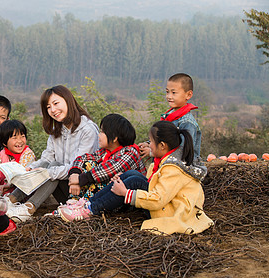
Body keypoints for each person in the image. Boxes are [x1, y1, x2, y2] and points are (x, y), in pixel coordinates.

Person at [59, 121, 213, 235]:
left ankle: (90, 210)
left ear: (163, 146)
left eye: (151, 142)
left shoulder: (173, 169)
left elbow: (159, 198)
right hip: (166, 205)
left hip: (171, 211)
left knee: (134, 180)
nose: (148, 145)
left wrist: (126, 193)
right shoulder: (162, 163)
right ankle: (86, 204)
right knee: (131, 175)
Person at [6, 85, 99, 222]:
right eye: (48, 107)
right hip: (63, 186)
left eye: (56, 103)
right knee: (49, 164)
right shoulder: (58, 130)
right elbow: (47, 157)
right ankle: (10, 200)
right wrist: (30, 168)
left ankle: (27, 209)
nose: (53, 110)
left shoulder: (87, 130)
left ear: (68, 100)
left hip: (80, 190)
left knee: (53, 168)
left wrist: (49, 172)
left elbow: (80, 167)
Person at [67, 113, 146, 201]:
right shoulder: (105, 151)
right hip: (109, 195)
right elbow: (82, 158)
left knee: (101, 178)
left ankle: (85, 205)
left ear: (115, 138)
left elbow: (109, 170)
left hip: (125, 199)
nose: (99, 135)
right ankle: (75, 201)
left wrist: (79, 179)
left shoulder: (130, 153)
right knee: (89, 164)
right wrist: (75, 174)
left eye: (102, 132)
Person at [139, 73, 202, 163]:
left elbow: (183, 152)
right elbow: (163, 138)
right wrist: (149, 144)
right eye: (167, 92)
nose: (169, 96)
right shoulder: (169, 115)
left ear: (188, 95)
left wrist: (152, 152)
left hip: (180, 169)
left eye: (174, 93)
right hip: (164, 166)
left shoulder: (187, 123)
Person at [0, 120, 36, 193]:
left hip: (20, 189)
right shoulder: (2, 154)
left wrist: (6, 185)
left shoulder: (27, 154)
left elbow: (21, 174)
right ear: (4, 143)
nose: (20, 141)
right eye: (15, 138)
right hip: (4, 187)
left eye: (22, 136)